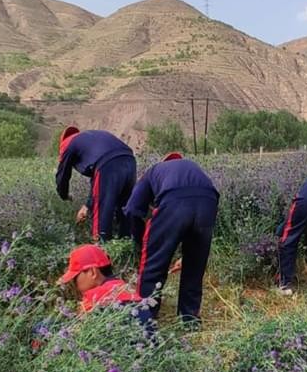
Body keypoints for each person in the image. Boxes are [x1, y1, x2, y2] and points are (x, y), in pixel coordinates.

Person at [123, 152, 219, 324]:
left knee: (153, 266)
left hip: (174, 199)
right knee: (195, 267)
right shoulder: (192, 168)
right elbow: (195, 205)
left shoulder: (153, 171)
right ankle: (189, 319)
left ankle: (145, 319)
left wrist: (141, 243)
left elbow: (132, 210)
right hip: (209, 201)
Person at [56, 127, 136, 241]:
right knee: (125, 210)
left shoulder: (68, 144)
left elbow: (62, 175)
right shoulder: (90, 138)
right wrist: (87, 206)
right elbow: (97, 185)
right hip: (130, 160)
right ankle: (127, 246)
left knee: (102, 214)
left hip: (108, 165)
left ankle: (101, 250)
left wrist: (64, 195)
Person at [56, 244, 140, 312]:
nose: (75, 284)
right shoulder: (129, 289)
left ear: (92, 272)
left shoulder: (94, 299)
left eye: (75, 278)